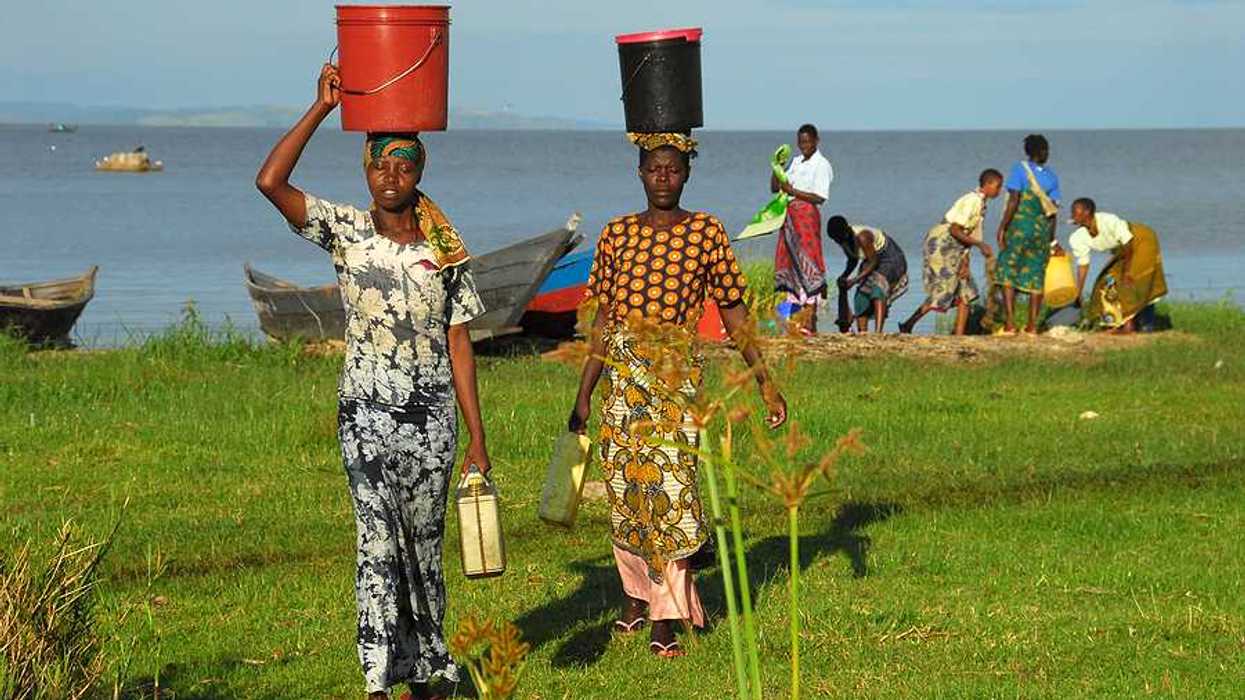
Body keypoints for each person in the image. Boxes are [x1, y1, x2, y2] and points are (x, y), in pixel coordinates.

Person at [256, 63, 490, 700]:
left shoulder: (446, 249)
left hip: (432, 420)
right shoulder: (346, 230)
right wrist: (321, 108)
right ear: (365, 169)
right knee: (377, 539)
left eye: (404, 165)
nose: (392, 177)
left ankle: (433, 664)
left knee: (424, 542)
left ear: (420, 173)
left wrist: (476, 437)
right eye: (381, 165)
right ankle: (379, 675)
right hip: (365, 414)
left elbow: (459, 341)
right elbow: (270, 181)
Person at [569, 132, 787, 659]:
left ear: (686, 173)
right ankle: (634, 596)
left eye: (672, 169)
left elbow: (733, 310)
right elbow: (602, 321)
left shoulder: (706, 231)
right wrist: (583, 394)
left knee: (673, 496)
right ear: (640, 173)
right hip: (622, 381)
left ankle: (665, 618)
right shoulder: (616, 233)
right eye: (654, 169)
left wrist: (765, 379)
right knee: (626, 496)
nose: (663, 177)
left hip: (675, 383)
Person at [899, 169, 1002, 335]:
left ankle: (958, 335)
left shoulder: (981, 204)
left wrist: (965, 261)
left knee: (966, 290)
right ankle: (909, 323)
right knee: (945, 288)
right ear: (988, 184)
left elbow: (969, 233)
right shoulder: (972, 201)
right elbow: (955, 229)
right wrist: (980, 244)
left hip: (957, 246)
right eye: (997, 186)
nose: (999, 191)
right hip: (943, 243)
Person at [1066, 198, 1168, 332]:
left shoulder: (1108, 220)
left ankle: (1136, 325)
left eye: (1076, 212)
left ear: (1087, 212)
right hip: (1124, 250)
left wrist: (1126, 272)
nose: (1072, 215)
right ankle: (1117, 322)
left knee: (1132, 281)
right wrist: (1078, 293)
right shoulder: (1077, 237)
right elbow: (1083, 265)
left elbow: (1128, 244)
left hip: (1141, 240)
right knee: (1106, 283)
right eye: (1072, 212)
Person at [994, 134, 1060, 335]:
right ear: (1042, 152)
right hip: (1041, 233)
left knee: (1007, 272)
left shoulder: (1020, 170)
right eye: (1045, 149)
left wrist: (1002, 227)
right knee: (1036, 277)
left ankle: (1010, 324)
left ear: (1029, 152)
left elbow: (1014, 200)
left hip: (1019, 230)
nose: (1046, 153)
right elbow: (1053, 211)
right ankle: (1032, 326)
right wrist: (1051, 239)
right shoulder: (1051, 176)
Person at [771, 124, 833, 333]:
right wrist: (777, 167)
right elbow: (775, 188)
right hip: (790, 221)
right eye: (801, 142)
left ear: (816, 141)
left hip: (806, 219)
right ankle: (797, 324)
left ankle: (809, 322)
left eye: (807, 142)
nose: (804, 146)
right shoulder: (796, 162)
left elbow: (819, 197)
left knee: (810, 265)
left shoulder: (821, 164)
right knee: (793, 268)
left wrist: (793, 191)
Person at [826, 217, 909, 333]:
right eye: (834, 240)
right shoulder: (843, 240)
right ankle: (863, 333)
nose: (837, 242)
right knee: (861, 295)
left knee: (878, 289)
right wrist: (844, 276)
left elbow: (873, 262)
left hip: (891, 259)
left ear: (844, 233)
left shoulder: (862, 237)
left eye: (837, 239)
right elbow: (853, 259)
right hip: (871, 259)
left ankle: (878, 332)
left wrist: (854, 280)